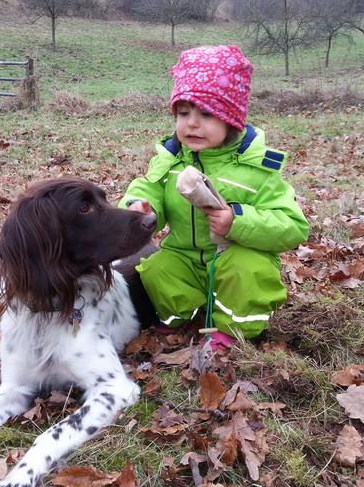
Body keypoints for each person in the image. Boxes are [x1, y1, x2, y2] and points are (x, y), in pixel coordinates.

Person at [119, 45, 309, 350]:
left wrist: (238, 221)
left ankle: (235, 330)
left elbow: (293, 226)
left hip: (236, 258)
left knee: (247, 269)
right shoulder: (171, 160)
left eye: (206, 114)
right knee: (157, 268)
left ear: (231, 119)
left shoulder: (256, 168)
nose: (192, 123)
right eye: (184, 113)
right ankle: (186, 315)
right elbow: (148, 186)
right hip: (187, 258)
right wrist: (140, 208)